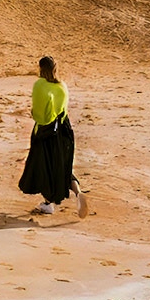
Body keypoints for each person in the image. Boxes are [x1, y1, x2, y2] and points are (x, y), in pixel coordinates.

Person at [17, 56, 88, 218]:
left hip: (47, 132)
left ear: (41, 68)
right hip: (65, 130)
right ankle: (78, 193)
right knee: (63, 166)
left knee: (44, 166)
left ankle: (48, 204)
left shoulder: (40, 85)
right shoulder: (62, 85)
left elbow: (40, 115)